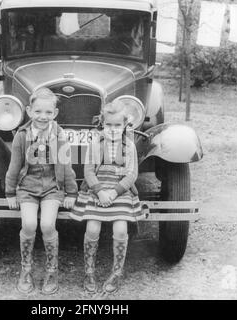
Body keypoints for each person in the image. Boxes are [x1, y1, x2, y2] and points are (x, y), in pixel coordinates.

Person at [5, 87, 78, 295]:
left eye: (48, 112)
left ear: (54, 113)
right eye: (38, 112)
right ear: (29, 111)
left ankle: (51, 271)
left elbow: (66, 165)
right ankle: (26, 270)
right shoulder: (22, 135)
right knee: (28, 224)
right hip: (27, 187)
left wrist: (71, 193)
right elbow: (14, 165)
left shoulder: (59, 135)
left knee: (47, 224)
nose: (42, 117)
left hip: (52, 188)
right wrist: (10, 193)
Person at [70, 99, 143, 294]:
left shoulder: (129, 146)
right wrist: (101, 191)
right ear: (102, 123)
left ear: (125, 125)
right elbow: (88, 171)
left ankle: (117, 272)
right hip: (98, 190)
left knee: (120, 230)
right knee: (92, 228)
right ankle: (89, 271)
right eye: (108, 125)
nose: (112, 129)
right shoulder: (96, 143)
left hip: (120, 192)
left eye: (117, 125)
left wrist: (114, 192)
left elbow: (132, 174)